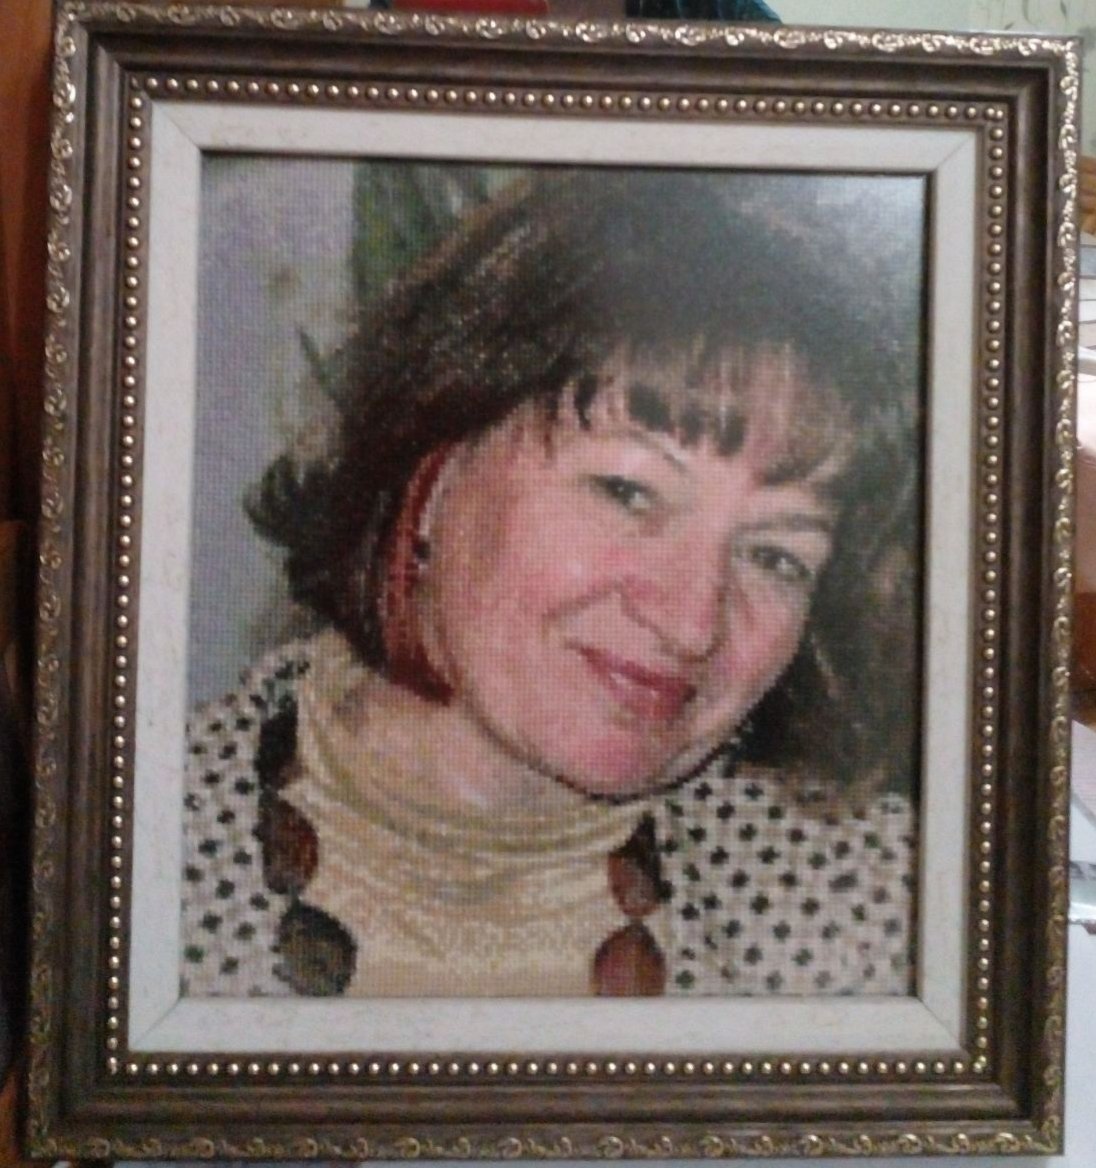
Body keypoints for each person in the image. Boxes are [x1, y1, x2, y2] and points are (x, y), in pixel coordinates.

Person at [180, 168, 921, 999]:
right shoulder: (131, 855)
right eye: (627, 492)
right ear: (433, 473)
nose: (692, 623)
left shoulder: (876, 913)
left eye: (776, 556)